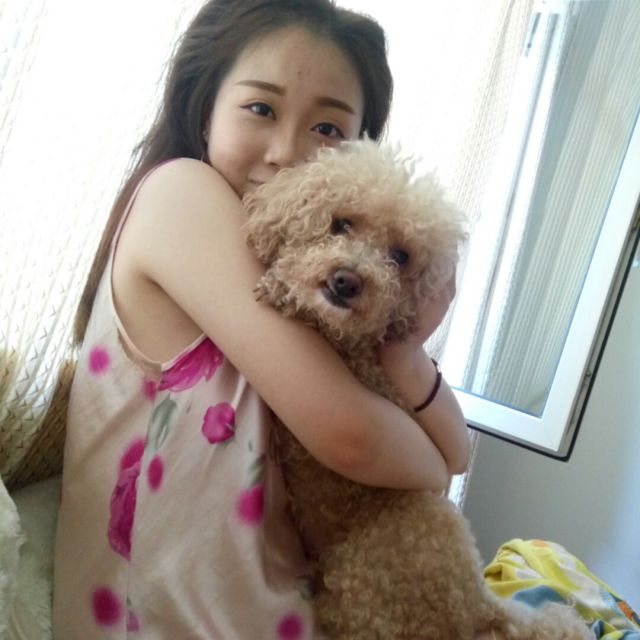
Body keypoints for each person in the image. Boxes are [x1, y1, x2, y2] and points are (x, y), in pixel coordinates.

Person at [53, 0, 471, 637]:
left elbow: (458, 452)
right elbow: (361, 441)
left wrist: (405, 353)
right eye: (261, 108)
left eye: (328, 129)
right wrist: (433, 467)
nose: (286, 152)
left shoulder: (314, 280)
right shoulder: (182, 194)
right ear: (205, 108)